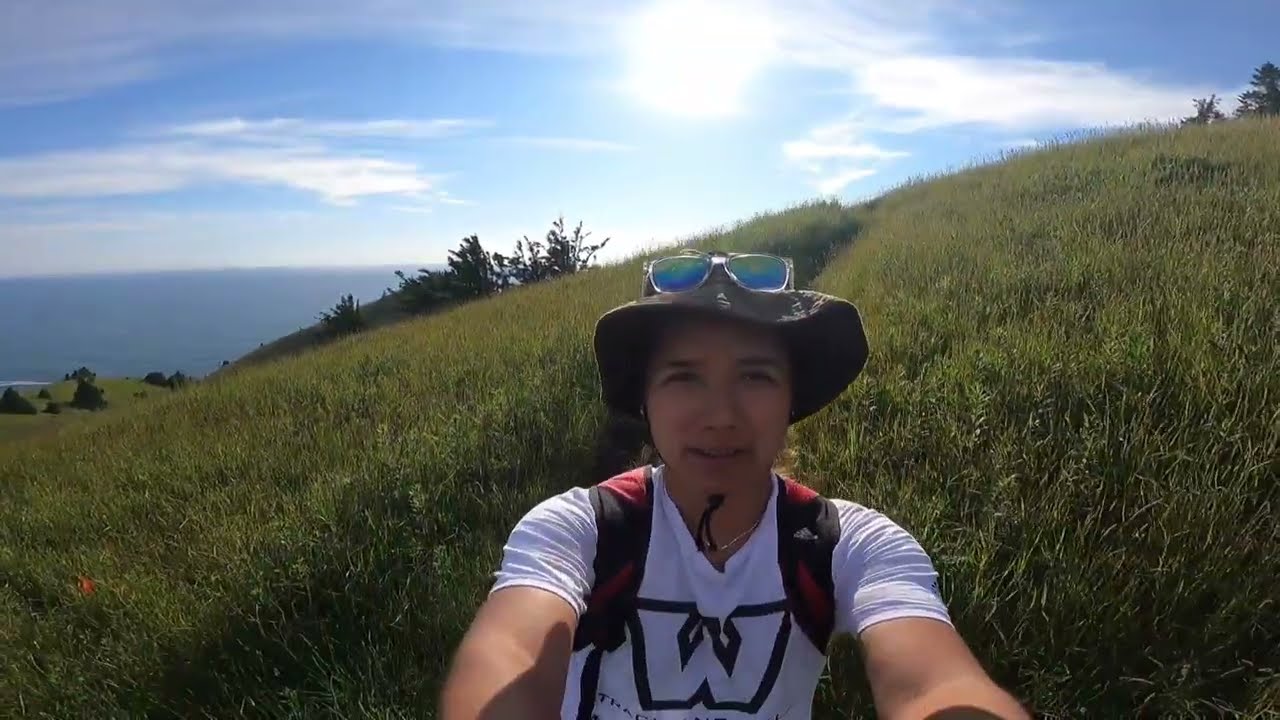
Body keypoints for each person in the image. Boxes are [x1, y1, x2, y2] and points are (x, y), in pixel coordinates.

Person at [440, 250, 1030, 720]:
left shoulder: (851, 544)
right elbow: (511, 649)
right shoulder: (581, 528)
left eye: (754, 376)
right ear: (644, 400)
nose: (720, 414)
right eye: (683, 377)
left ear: (791, 399)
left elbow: (935, 681)